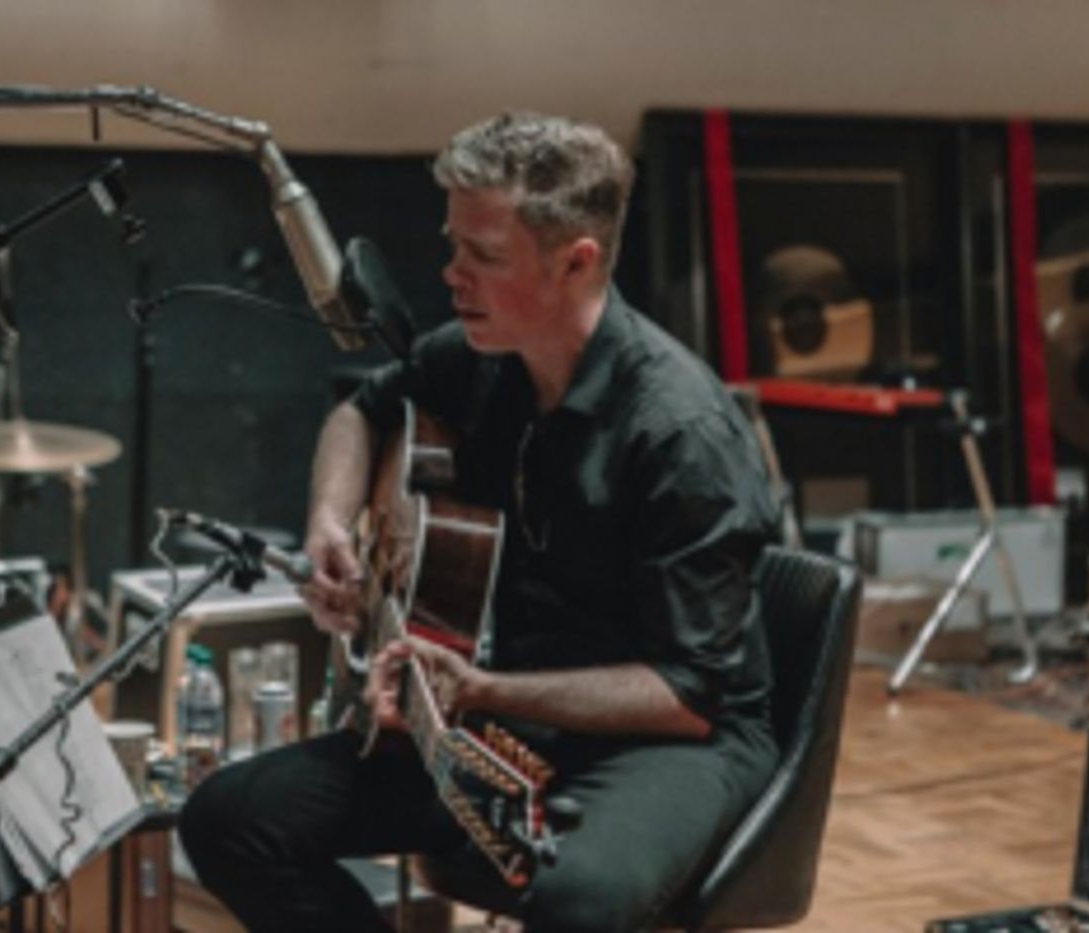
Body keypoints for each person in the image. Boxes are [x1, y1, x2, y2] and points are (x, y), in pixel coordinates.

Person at [179, 112, 780, 932]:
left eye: (483, 256)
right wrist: (331, 520)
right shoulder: (479, 356)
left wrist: (483, 686)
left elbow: (688, 691)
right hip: (512, 705)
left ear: (577, 261)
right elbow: (360, 411)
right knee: (230, 818)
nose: (451, 274)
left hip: (670, 740)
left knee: (577, 900)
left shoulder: (680, 433)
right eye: (453, 243)